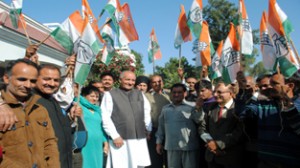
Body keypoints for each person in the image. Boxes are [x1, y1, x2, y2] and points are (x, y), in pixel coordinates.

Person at [0, 59, 60, 167]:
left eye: (32, 81)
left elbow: (50, 144)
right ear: (6, 78)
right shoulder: (2, 110)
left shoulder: (40, 110)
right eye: (22, 79)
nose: (28, 85)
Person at [236, 72, 300, 168]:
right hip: (266, 163)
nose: (270, 87)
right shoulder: (264, 105)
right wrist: (242, 91)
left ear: (290, 86)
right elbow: (243, 114)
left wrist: (287, 103)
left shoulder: (298, 105)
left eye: (274, 83)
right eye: (270, 83)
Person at [35, 63, 82, 168]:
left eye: (56, 80)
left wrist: (70, 118)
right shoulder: (30, 101)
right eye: (47, 79)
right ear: (35, 78)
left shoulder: (53, 101)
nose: (52, 83)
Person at [101, 70, 152, 168]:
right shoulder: (110, 95)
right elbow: (105, 117)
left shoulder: (139, 94)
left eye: (133, 80)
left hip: (139, 138)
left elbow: (146, 112)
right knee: (122, 165)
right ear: (120, 80)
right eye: (127, 79)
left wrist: (148, 129)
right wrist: (114, 136)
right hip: (121, 139)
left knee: (138, 164)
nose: (130, 82)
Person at [199, 82, 244, 168]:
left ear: (230, 93)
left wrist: (218, 145)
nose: (215, 94)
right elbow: (202, 127)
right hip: (212, 157)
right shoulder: (211, 108)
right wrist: (210, 142)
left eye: (219, 92)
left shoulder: (239, 109)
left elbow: (239, 132)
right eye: (214, 91)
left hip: (230, 157)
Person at [156, 83, 201, 168]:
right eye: (174, 92)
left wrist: (199, 109)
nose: (176, 94)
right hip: (171, 146)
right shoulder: (166, 109)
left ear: (185, 93)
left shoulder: (192, 106)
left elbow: (199, 121)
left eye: (179, 92)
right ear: (171, 94)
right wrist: (159, 143)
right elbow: (161, 128)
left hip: (189, 146)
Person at [77, 85, 108, 168]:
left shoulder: (97, 110)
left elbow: (101, 127)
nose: (94, 99)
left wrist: (105, 142)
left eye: (97, 97)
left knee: (97, 163)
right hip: (85, 142)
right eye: (92, 96)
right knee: (85, 163)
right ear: (84, 95)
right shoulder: (78, 106)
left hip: (97, 143)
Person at [145, 75, 171, 168]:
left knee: (169, 158)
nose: (157, 84)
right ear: (151, 84)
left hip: (169, 131)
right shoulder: (146, 96)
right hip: (154, 130)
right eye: (154, 82)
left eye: (159, 81)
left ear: (163, 82)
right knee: (155, 158)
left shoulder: (170, 94)